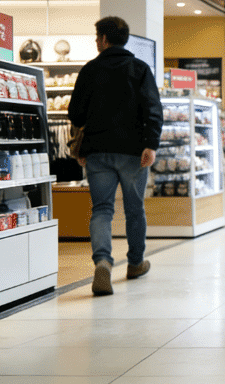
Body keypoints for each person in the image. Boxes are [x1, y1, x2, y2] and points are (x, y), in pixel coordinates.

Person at [68, 16, 163, 296]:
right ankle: (135, 262)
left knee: (102, 210)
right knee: (134, 209)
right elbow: (153, 110)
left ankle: (103, 262)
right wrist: (150, 144)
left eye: (97, 37)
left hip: (97, 152)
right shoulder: (140, 68)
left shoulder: (90, 70)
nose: (96, 42)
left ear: (104, 39)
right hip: (134, 153)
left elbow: (75, 114)